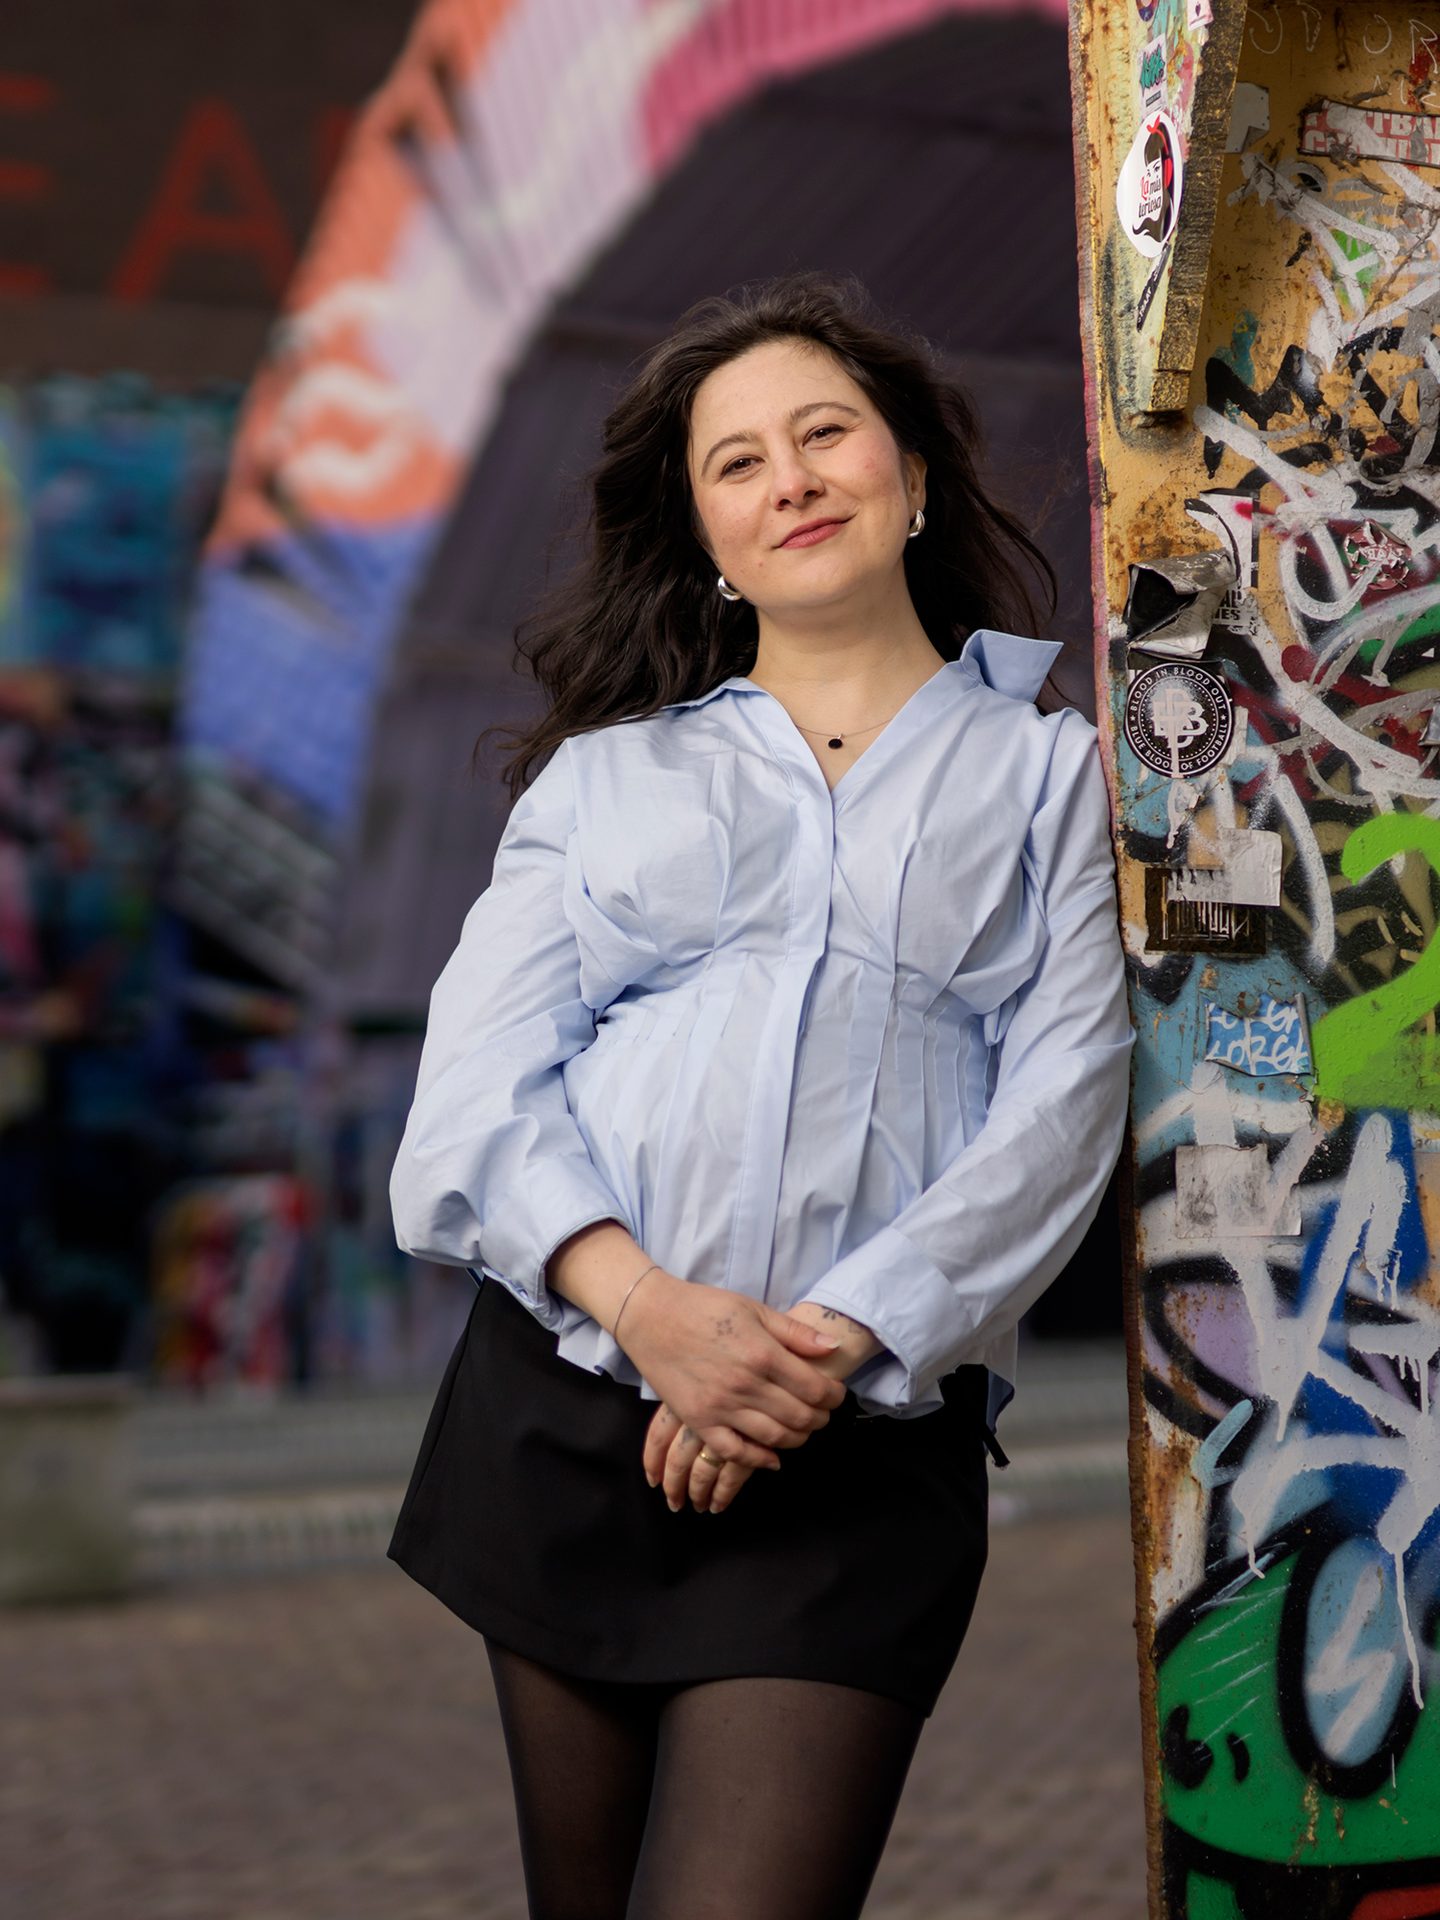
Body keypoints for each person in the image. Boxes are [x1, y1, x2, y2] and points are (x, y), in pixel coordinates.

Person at [386, 269, 1133, 1920]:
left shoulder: (1056, 771)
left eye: (824, 435)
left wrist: (817, 1351)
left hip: (855, 1445)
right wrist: (653, 1316)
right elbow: (473, 1098)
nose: (789, 478)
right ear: (706, 531)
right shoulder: (603, 776)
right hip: (569, 1410)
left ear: (913, 476)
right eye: (738, 462)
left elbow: (1066, 1101)